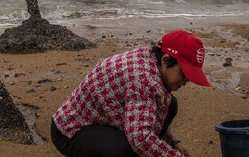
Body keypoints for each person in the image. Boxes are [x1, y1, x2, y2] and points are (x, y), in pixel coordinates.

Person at [51, 30, 211, 157]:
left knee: (170, 104)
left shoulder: (151, 60)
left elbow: (149, 113)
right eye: (184, 74)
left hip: (106, 119)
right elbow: (140, 140)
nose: (186, 81)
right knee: (126, 150)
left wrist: (174, 141)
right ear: (165, 61)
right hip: (71, 130)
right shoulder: (144, 80)